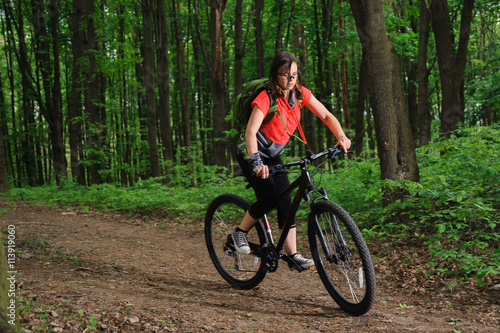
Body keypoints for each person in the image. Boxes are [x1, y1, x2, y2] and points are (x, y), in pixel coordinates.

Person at [233, 51, 351, 270]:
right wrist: (256, 162)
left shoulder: (299, 94)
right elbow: (251, 132)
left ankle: (293, 255)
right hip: (251, 153)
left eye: (294, 75)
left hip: (273, 153)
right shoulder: (265, 98)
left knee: (286, 201)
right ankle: (239, 233)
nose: (290, 79)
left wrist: (341, 137)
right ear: (275, 75)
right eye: (285, 74)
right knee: (269, 198)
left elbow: (325, 115)